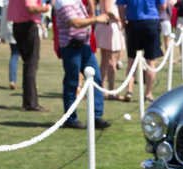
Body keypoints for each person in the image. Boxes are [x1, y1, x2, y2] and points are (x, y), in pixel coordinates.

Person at [53, 0, 112, 128]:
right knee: (72, 82)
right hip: (71, 48)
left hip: (84, 46)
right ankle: (71, 118)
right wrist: (97, 19)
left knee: (96, 79)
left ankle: (96, 116)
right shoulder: (62, 2)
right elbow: (75, 22)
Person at [118, 0, 163, 101]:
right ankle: (148, 94)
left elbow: (120, 7)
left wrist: (123, 23)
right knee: (150, 61)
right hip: (151, 22)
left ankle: (129, 90)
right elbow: (163, 6)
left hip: (133, 23)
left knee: (131, 60)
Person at [8, 0, 49, 111]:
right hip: (28, 25)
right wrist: (44, 9)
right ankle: (31, 102)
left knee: (28, 64)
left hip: (17, 25)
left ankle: (28, 101)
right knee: (31, 64)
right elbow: (30, 8)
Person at [94, 0, 124, 97]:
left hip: (107, 26)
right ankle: (110, 90)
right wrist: (121, 19)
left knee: (105, 60)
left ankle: (104, 89)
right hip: (109, 26)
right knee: (111, 60)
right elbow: (108, 11)